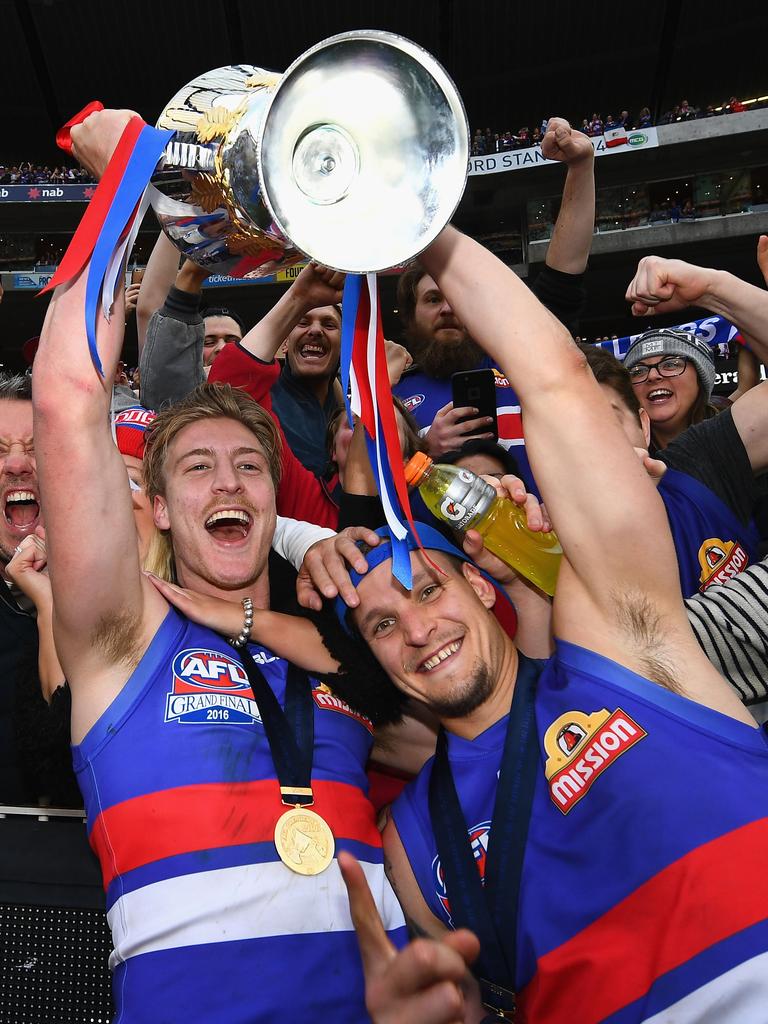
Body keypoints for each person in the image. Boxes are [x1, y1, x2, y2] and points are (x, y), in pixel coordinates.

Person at [331, 225, 768, 1022]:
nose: (418, 630)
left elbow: (557, 382)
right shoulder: (413, 839)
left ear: (478, 577)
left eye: (427, 592)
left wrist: (412, 222)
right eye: (383, 627)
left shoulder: (630, 651)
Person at [34, 107, 406, 1024]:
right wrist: (130, 174)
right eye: (196, 468)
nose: (229, 481)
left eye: (251, 467)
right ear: (157, 509)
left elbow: (458, 733)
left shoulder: (336, 644)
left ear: (278, 500)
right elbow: (67, 393)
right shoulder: (120, 631)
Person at [394, 117, 594, 491]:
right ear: (410, 315)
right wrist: (425, 451)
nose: (448, 309)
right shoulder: (394, 396)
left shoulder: (523, 362)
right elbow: (370, 492)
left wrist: (581, 168)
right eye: (433, 299)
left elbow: (563, 279)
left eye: (455, 298)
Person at [581, 343, 761, 597]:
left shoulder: (698, 465)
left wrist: (717, 300)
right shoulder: (538, 544)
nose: (587, 442)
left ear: (643, 425)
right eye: (561, 433)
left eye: (605, 421)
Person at [622, 327, 718, 450]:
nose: (652, 376)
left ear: (701, 377)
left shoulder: (736, 433)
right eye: (638, 371)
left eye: (670, 364)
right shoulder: (615, 454)